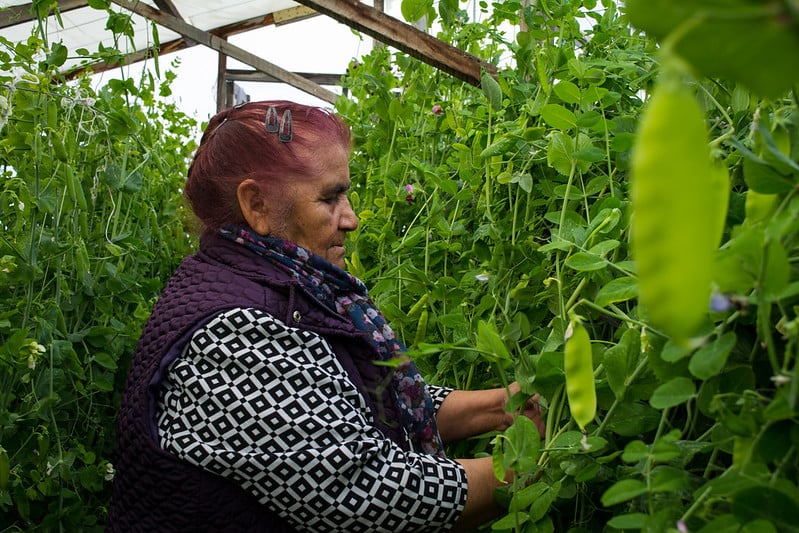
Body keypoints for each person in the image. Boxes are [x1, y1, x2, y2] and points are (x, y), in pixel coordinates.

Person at [106, 100, 545, 532]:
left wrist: (502, 406)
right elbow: (370, 493)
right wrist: (533, 464)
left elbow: (363, 401)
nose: (351, 218)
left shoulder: (266, 282)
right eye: (331, 197)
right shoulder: (233, 334)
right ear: (256, 204)